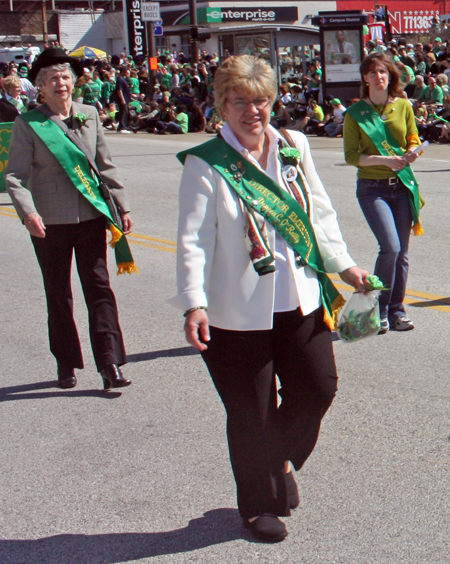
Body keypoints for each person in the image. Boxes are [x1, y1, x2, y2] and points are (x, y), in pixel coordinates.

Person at [169, 55, 367, 543]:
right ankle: (259, 505)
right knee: (251, 412)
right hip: (236, 312)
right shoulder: (205, 162)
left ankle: (277, 462)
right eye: (241, 101)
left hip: (297, 298)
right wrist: (194, 302)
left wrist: (343, 263)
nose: (253, 111)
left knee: (318, 388)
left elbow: (318, 212)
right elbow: (194, 239)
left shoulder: (294, 145)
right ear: (222, 105)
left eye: (261, 100)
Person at [5, 48, 136, 390]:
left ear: (74, 82)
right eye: (52, 79)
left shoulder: (89, 114)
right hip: (49, 222)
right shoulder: (28, 124)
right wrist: (28, 212)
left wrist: (121, 206)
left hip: (91, 215)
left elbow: (105, 165)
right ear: (40, 87)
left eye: (65, 77)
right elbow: (15, 177)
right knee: (59, 293)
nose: (60, 83)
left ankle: (110, 364)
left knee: (99, 289)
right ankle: (66, 362)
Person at [343, 52, 423, 334]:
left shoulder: (403, 106)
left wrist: (412, 151)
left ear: (390, 76)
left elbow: (412, 136)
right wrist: (385, 160)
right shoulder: (354, 114)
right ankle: (378, 308)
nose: (380, 76)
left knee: (401, 253)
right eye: (374, 72)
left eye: (384, 72)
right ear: (365, 77)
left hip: (401, 186)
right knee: (390, 247)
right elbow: (352, 156)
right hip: (371, 188)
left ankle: (396, 310)